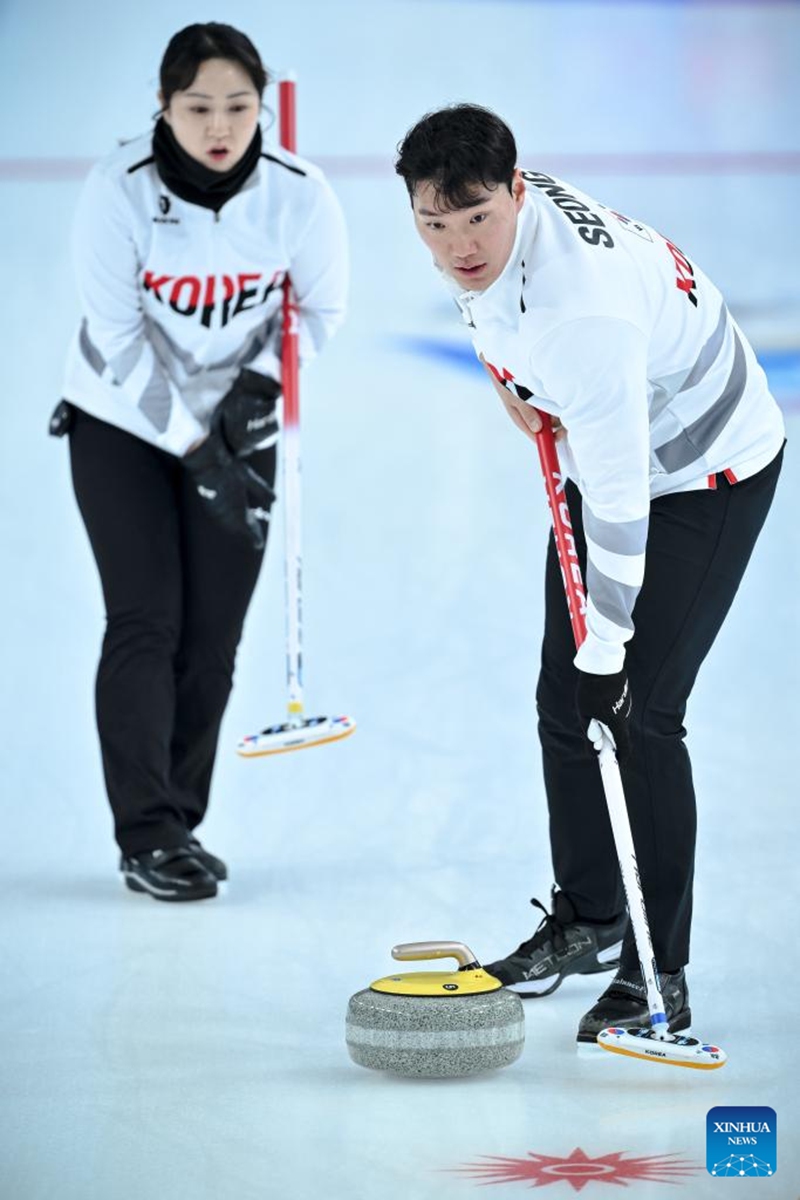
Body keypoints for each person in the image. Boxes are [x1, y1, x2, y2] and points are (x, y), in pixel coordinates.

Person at [395, 104, 785, 1043]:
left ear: (518, 192)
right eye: (433, 226)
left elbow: (619, 500)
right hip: (607, 446)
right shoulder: (486, 236)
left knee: (638, 712)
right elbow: (486, 299)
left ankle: (663, 972)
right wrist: (509, 381)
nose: (458, 246)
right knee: (564, 702)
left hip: (704, 474)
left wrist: (609, 644)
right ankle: (592, 919)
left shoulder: (585, 316)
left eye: (477, 219)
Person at [53, 23, 347, 902]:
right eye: (198, 107)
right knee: (147, 619)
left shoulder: (299, 194)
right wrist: (190, 441)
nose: (220, 126)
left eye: (239, 106)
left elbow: (321, 311)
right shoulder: (119, 191)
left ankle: (177, 820)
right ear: (163, 105)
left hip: (240, 421)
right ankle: (143, 833)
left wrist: (254, 398)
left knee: (212, 637)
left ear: (262, 103)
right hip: (122, 422)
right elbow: (113, 335)